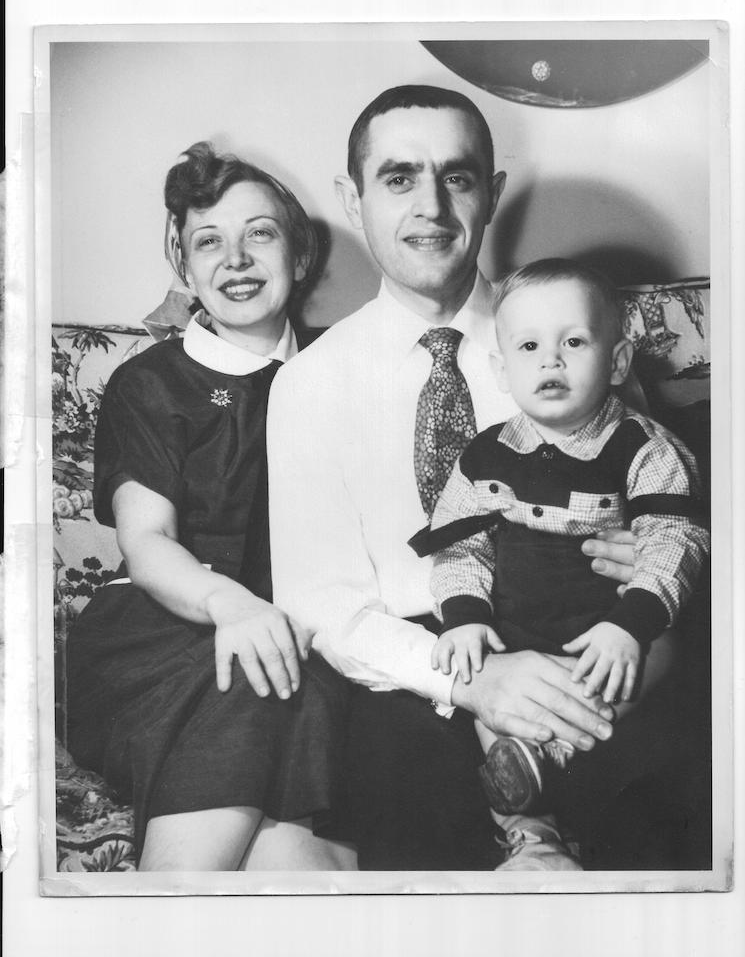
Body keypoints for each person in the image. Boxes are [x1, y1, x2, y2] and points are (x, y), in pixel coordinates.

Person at [267, 85, 642, 871]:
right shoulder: (310, 383)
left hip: (587, 641)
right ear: (353, 197)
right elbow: (321, 601)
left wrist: (646, 556)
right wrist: (471, 685)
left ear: (492, 193)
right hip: (417, 679)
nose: (431, 206)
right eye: (398, 178)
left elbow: (650, 490)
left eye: (458, 177)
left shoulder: (565, 333)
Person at [65, 142, 354, 873]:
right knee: (255, 675)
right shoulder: (152, 383)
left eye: (259, 233)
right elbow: (147, 540)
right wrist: (234, 606)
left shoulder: (345, 368)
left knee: (306, 735)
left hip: (299, 630)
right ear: (183, 264)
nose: (235, 259)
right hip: (158, 631)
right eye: (208, 241)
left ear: (299, 251)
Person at [416, 258, 710, 816]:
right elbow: (459, 543)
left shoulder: (647, 450)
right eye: (528, 348)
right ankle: (517, 768)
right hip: (515, 627)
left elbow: (676, 540)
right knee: (480, 676)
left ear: (619, 360)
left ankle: (550, 753)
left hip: (613, 626)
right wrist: (465, 615)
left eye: (574, 341)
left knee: (652, 660)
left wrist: (632, 625)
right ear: (503, 372)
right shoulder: (484, 454)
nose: (550, 359)